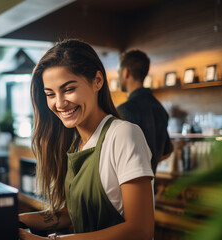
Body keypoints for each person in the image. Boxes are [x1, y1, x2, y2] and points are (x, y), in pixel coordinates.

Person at [18, 39, 154, 240]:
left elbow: (140, 230)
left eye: (69, 89)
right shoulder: (76, 144)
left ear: (97, 81)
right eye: (50, 94)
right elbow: (70, 215)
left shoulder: (123, 134)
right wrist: (17, 219)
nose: (59, 103)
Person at [116, 49, 173, 177]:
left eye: (118, 72)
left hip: (127, 189)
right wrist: (149, 164)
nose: (118, 76)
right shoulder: (160, 108)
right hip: (152, 188)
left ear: (126, 72)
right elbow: (166, 152)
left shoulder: (124, 110)